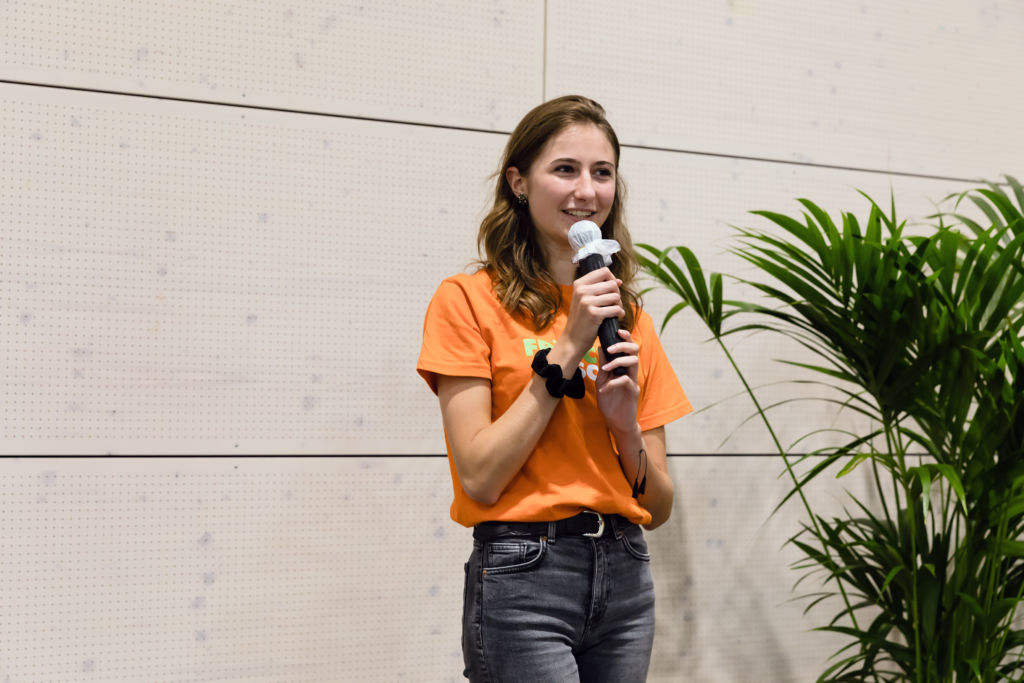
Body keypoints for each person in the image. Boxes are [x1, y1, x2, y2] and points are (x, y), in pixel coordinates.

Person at [417, 95, 692, 682]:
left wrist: (624, 426)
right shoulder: (467, 302)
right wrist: (567, 349)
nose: (586, 191)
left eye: (602, 172)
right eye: (565, 169)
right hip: (523, 572)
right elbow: (480, 477)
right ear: (518, 182)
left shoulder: (631, 319)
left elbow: (658, 507)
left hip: (625, 572)